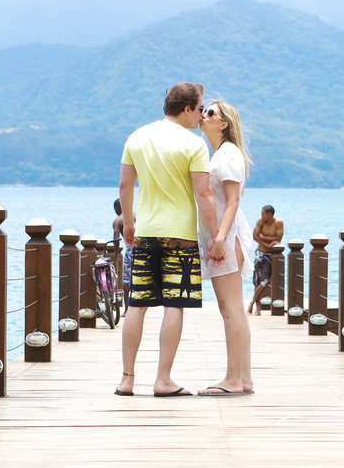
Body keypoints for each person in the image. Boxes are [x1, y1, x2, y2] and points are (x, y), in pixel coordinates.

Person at [116, 82, 221, 398]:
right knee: (174, 305)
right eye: (200, 107)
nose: (201, 114)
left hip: (146, 233)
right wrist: (217, 235)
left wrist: (130, 223)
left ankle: (127, 379)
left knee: (137, 303)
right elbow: (203, 194)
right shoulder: (193, 144)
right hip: (181, 236)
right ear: (188, 108)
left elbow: (124, 185)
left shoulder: (137, 137)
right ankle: (162, 380)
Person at [195, 100, 256, 396]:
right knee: (234, 310)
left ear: (223, 124)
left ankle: (233, 380)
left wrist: (219, 238)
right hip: (225, 235)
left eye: (211, 113)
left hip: (227, 237)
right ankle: (243, 378)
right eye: (203, 109)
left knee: (230, 309)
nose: (203, 115)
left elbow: (233, 201)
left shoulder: (228, 154)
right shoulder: (218, 154)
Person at [248, 205, 284, 315]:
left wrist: (263, 237)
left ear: (270, 214)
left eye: (263, 213)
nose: (261, 216)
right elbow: (254, 235)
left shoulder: (278, 222)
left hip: (270, 256)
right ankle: (257, 309)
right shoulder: (260, 221)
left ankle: (252, 302)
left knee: (264, 280)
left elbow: (278, 238)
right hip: (260, 253)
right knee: (257, 281)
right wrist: (266, 244)